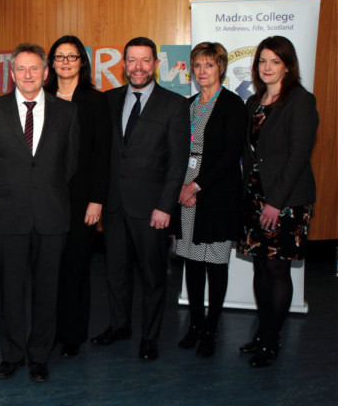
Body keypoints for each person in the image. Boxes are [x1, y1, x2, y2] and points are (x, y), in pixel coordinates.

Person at [0, 43, 79, 382]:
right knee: (10, 290)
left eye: (35, 68)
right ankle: (12, 355)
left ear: (46, 73)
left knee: (47, 291)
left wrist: (45, 190)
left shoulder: (67, 112)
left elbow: (70, 164)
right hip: (8, 215)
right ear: (12, 73)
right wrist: (5, 195)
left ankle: (39, 356)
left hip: (51, 215)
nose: (29, 74)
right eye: (21, 68)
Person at [91, 37, 188, 362]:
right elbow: (104, 153)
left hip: (152, 210)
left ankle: (150, 336)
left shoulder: (174, 105)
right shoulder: (109, 100)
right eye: (132, 60)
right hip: (115, 206)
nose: (138, 67)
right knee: (115, 272)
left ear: (156, 64)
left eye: (145, 61)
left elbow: (177, 163)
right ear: (123, 64)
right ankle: (119, 326)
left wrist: (165, 206)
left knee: (152, 276)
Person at [238, 36, 318, 368]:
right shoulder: (253, 102)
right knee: (259, 264)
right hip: (255, 196)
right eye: (262, 61)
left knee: (277, 267)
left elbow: (298, 156)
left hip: (286, 200)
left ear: (287, 64)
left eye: (274, 61)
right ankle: (262, 333)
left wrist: (275, 202)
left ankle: (272, 340)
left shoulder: (300, 100)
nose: (267, 67)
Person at [171, 42, 247, 358]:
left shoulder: (232, 105)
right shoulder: (187, 104)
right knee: (191, 261)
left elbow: (231, 156)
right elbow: (175, 149)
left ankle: (211, 329)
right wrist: (179, 186)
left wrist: (196, 186)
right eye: (198, 65)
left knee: (214, 263)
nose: (202, 71)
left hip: (216, 194)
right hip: (184, 189)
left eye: (209, 65)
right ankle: (195, 325)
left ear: (221, 68)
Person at [43, 35, 110, 359]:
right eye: (59, 57)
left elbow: (102, 155)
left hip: (81, 200)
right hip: (44, 199)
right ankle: (48, 330)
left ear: (82, 62)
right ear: (51, 63)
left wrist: (97, 200)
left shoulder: (95, 102)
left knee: (75, 268)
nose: (65, 62)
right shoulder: (39, 97)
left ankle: (72, 335)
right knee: (46, 268)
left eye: (72, 57)